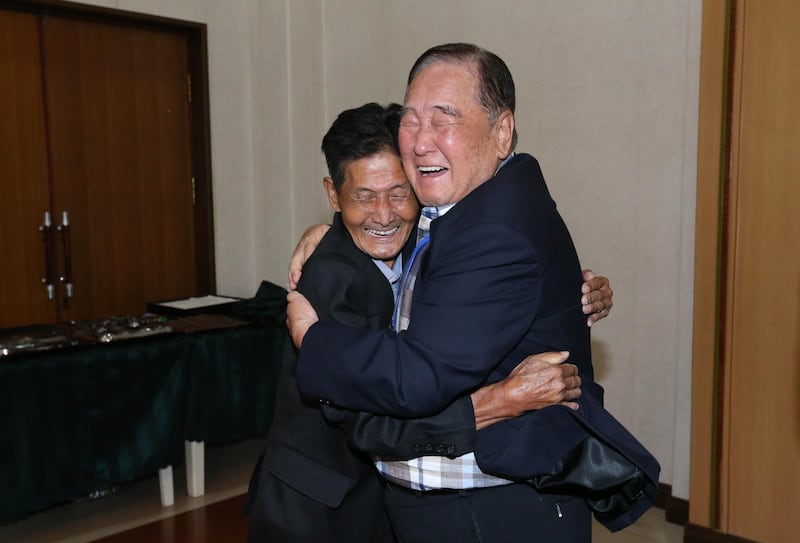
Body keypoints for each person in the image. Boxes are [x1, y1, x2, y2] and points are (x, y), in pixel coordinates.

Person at [287, 43, 658, 542]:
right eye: (411, 121)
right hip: (431, 503)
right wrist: (327, 233)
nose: (420, 142)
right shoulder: (450, 209)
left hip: (490, 508)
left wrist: (313, 339)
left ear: (501, 132)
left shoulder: (490, 229)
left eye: (445, 119)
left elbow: (415, 379)